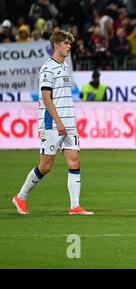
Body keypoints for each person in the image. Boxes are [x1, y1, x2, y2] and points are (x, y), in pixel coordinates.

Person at [12, 29, 94, 215]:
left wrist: (66, 121)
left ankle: (75, 206)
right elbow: (46, 98)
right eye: (66, 43)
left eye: (70, 44)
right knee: (46, 166)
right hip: (52, 123)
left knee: (74, 160)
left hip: (68, 121)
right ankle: (21, 197)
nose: (69, 47)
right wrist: (58, 122)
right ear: (56, 45)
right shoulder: (47, 68)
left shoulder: (65, 67)